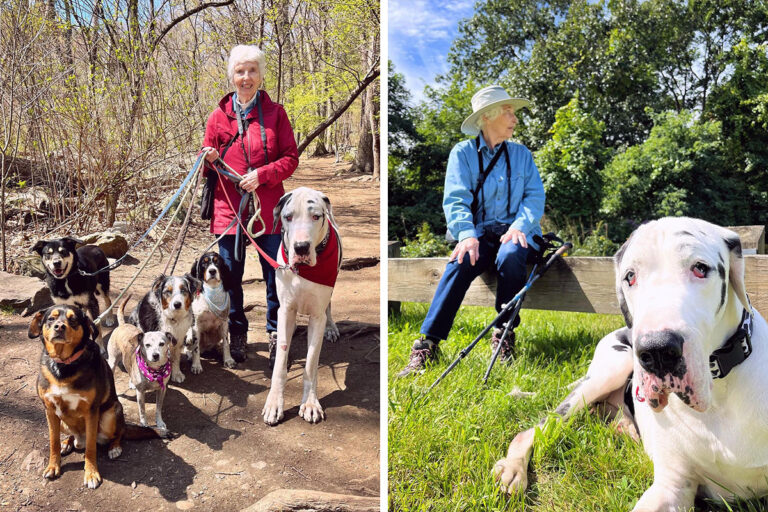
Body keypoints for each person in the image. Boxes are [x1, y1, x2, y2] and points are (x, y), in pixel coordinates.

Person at [398, 85, 545, 377]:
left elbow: (534, 197)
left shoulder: (522, 154)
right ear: (488, 116)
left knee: (512, 253)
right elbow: (455, 199)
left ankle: (504, 335)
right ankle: (427, 345)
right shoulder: (462, 153)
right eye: (508, 111)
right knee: (459, 261)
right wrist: (466, 234)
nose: (515, 118)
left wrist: (519, 227)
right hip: (480, 234)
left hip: (520, 233)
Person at [201, 44, 299, 363]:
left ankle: (275, 332)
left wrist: (263, 174)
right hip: (228, 208)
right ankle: (237, 333)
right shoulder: (217, 117)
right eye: (240, 71)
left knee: (274, 273)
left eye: (252, 70)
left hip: (267, 208)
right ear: (232, 75)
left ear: (260, 75)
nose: (246, 77)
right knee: (230, 274)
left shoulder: (276, 113)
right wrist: (210, 158)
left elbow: (291, 158)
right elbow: (207, 164)